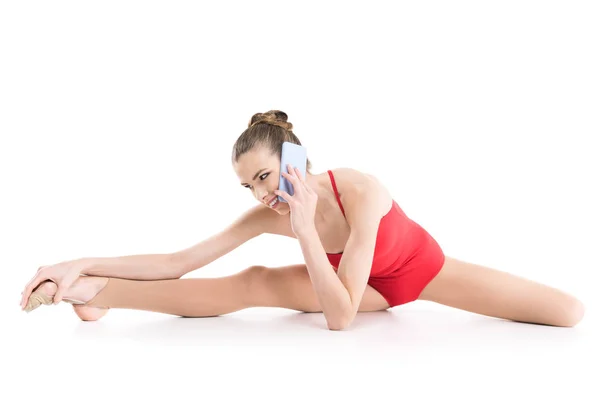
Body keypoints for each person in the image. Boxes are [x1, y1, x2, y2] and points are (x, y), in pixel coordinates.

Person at [19, 110, 585, 330]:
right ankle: (94, 291)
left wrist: (309, 227)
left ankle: (96, 290)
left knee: (568, 313)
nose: (262, 195)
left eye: (265, 177)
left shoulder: (363, 192)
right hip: (365, 292)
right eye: (249, 185)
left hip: (422, 272)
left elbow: (338, 318)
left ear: (295, 159)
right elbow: (179, 262)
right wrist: (80, 260)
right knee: (254, 282)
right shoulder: (268, 216)